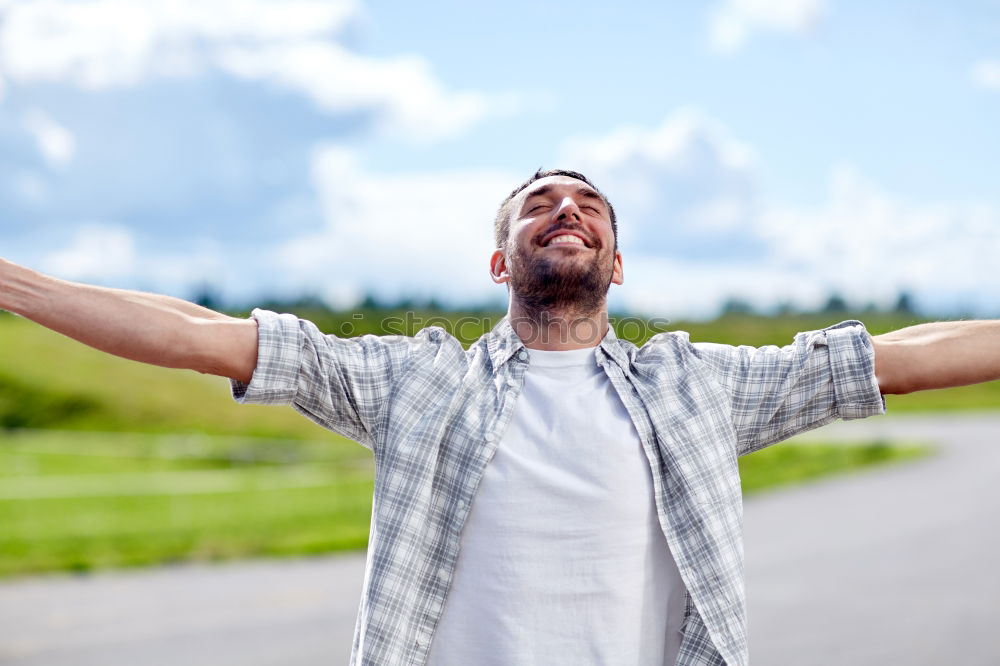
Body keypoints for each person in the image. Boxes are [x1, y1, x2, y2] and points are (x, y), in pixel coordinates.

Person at [1, 168, 999, 666]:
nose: (565, 210)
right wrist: (17, 288)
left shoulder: (697, 385)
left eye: (589, 208)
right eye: (538, 206)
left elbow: (896, 360)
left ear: (616, 265)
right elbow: (201, 334)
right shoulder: (415, 384)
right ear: (498, 262)